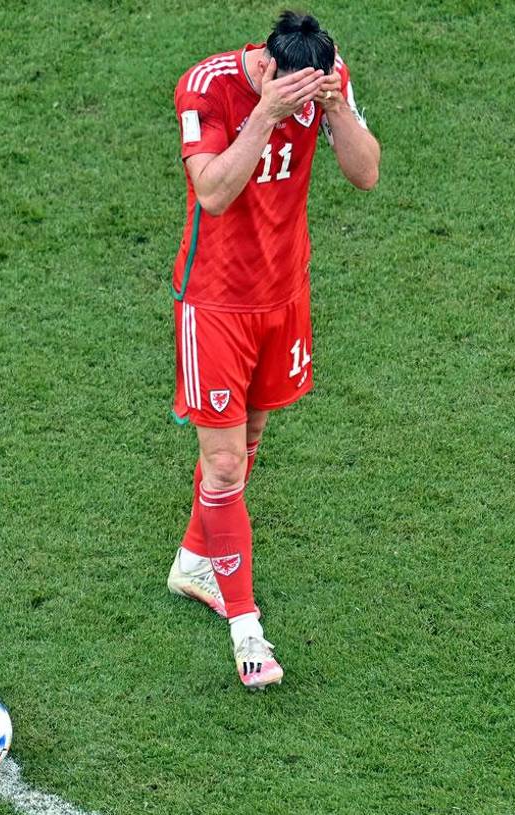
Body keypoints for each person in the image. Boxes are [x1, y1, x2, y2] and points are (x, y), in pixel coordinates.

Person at [164, 10, 381, 689]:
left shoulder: (325, 80)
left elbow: (366, 174)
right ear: (263, 67)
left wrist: (336, 105)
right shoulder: (206, 87)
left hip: (284, 296)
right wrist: (265, 113)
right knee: (224, 465)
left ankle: (197, 560)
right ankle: (246, 630)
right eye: (288, 89)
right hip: (216, 303)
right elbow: (213, 192)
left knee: (252, 435)